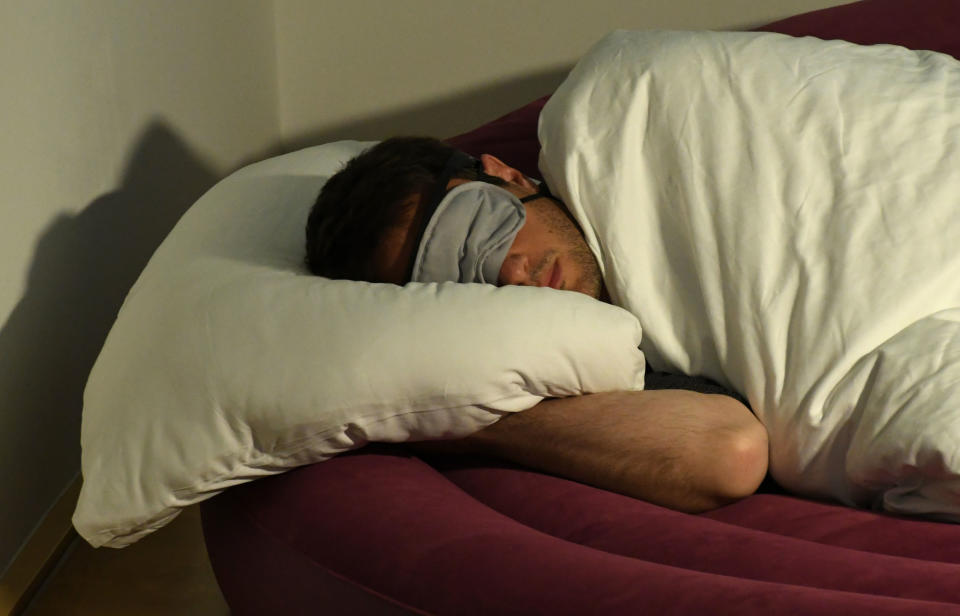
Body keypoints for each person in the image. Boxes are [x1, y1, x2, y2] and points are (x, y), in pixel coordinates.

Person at [305, 136, 769, 513]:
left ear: (505, 174)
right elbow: (730, 451)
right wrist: (452, 413)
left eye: (478, 233)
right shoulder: (575, 359)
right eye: (459, 281)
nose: (509, 273)